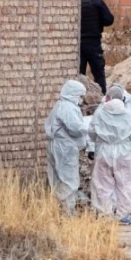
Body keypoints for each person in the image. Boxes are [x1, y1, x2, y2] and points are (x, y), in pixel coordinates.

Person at [89, 85, 131, 223]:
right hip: (123, 151)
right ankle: (123, 215)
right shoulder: (127, 112)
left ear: (108, 97)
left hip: (104, 150)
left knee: (103, 183)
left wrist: (99, 141)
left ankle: (105, 214)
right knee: (125, 183)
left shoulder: (100, 112)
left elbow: (92, 132)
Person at [45, 79, 89, 216]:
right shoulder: (68, 108)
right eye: (80, 96)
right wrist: (88, 126)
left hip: (59, 146)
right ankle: (67, 213)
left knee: (58, 180)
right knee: (69, 180)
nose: (82, 100)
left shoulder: (60, 105)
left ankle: (59, 211)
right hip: (64, 148)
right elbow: (75, 128)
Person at [80, 0, 115, 94]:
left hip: (77, 45)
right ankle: (102, 98)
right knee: (99, 75)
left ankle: (79, 100)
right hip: (94, 43)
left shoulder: (73, 2)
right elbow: (109, 20)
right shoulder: (96, 1)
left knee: (79, 76)